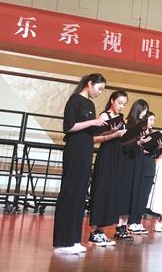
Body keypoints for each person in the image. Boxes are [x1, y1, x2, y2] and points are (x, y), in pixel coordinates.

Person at [53, 73, 107, 254]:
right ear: (89, 84)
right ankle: (63, 242)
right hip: (75, 149)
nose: (100, 92)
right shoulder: (75, 100)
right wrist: (94, 121)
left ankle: (74, 239)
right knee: (70, 192)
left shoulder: (90, 104)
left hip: (86, 150)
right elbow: (69, 127)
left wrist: (107, 128)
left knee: (80, 194)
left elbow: (90, 131)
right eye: (99, 88)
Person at [87, 90, 128, 246]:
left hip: (118, 155)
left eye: (124, 104)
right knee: (102, 190)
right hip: (107, 154)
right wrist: (114, 134)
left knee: (111, 192)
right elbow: (94, 138)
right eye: (119, 103)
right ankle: (94, 232)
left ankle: (101, 231)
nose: (121, 106)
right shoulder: (104, 116)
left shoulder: (121, 119)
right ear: (112, 100)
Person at [114, 98, 149, 240]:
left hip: (138, 161)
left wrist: (146, 142)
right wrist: (138, 142)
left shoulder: (142, 127)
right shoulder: (127, 124)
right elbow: (124, 145)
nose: (144, 114)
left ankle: (125, 225)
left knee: (133, 194)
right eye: (143, 111)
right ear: (137, 109)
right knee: (125, 193)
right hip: (128, 162)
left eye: (146, 111)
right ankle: (119, 227)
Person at [129, 111, 162, 234]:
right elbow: (136, 149)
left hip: (150, 166)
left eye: (153, 120)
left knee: (145, 195)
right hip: (140, 165)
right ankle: (132, 221)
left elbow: (155, 154)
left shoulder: (152, 134)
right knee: (137, 194)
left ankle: (138, 221)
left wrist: (159, 147)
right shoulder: (139, 133)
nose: (152, 122)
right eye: (150, 119)